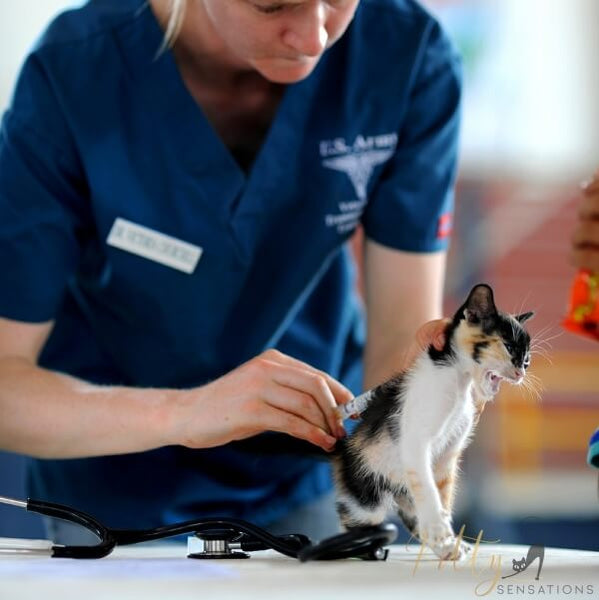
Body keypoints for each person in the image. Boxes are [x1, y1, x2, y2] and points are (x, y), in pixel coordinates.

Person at [0, 0, 461, 544]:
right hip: (111, 478)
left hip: (305, 475)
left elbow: (400, 344)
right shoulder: (75, 72)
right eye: (272, 6)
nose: (314, 38)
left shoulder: (404, 54)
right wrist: (188, 412)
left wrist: (423, 418)